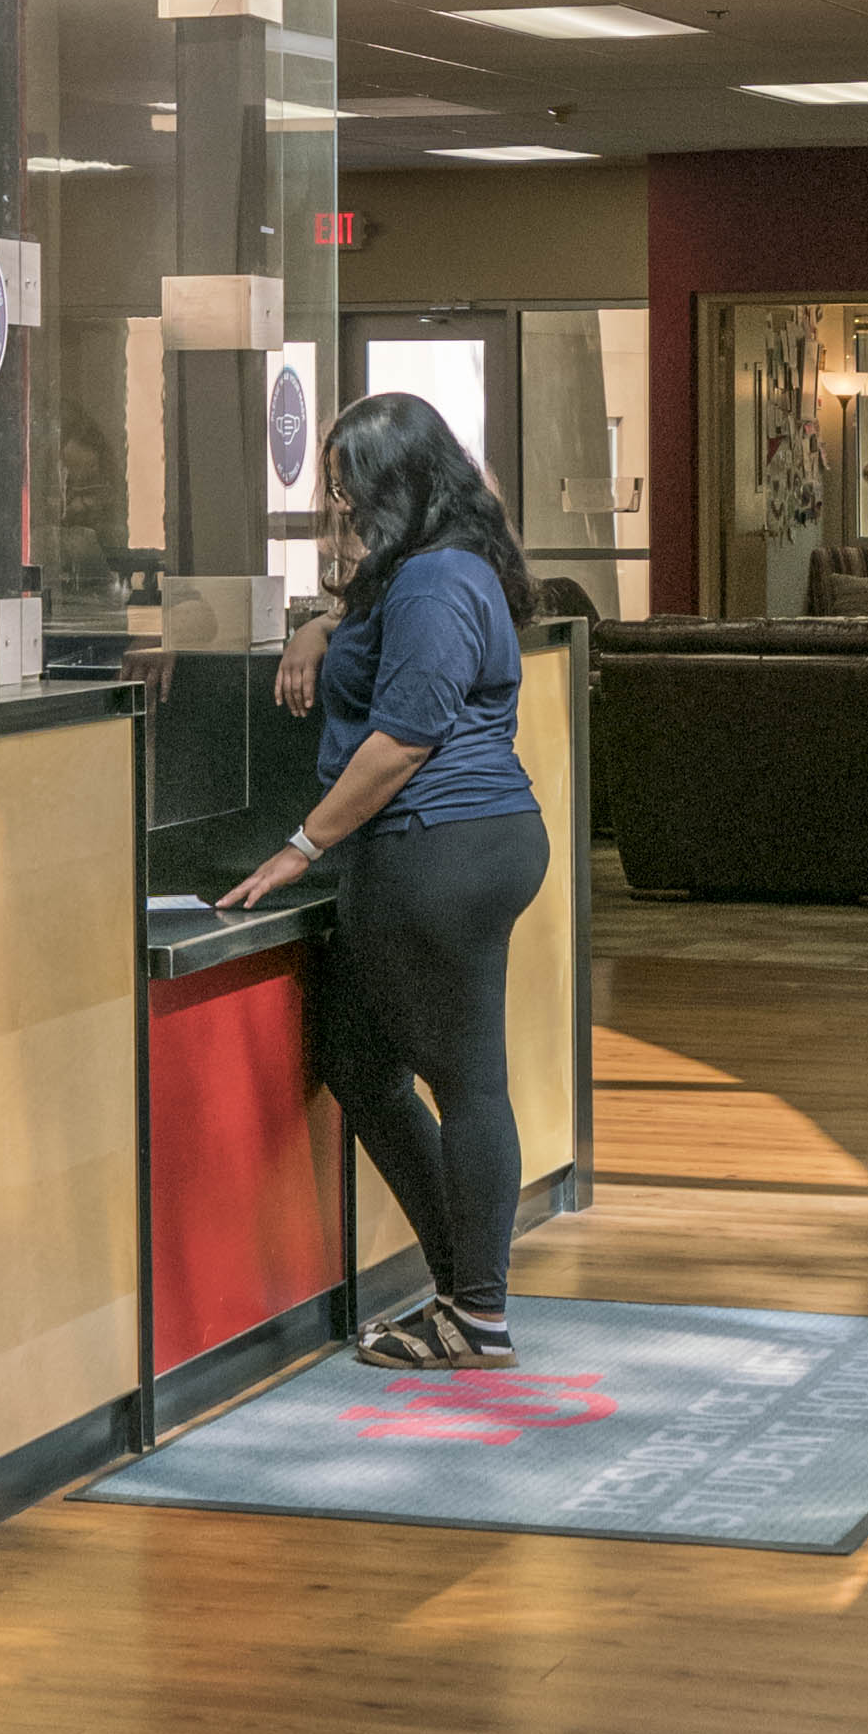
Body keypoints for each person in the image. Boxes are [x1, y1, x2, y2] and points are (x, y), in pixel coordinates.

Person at [224, 388, 550, 1368]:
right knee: (366, 1066)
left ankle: (477, 1314)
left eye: (348, 488)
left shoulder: (437, 579)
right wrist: (323, 625)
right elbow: (378, 635)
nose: (338, 508)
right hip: (448, 844)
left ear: (398, 484)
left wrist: (302, 845)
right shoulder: (425, 566)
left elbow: (403, 739)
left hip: (436, 844)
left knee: (466, 1083)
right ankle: (461, 1291)